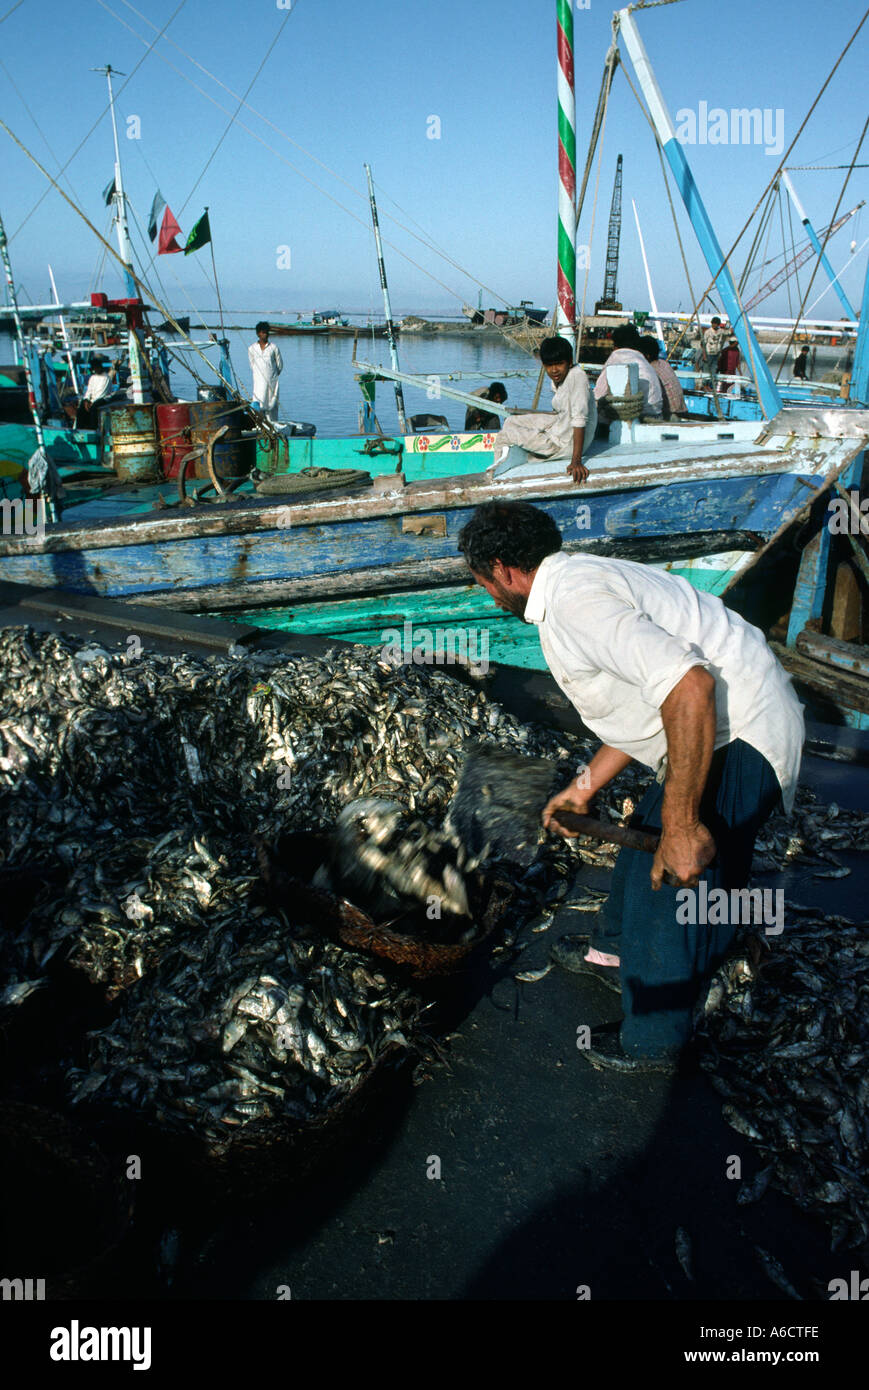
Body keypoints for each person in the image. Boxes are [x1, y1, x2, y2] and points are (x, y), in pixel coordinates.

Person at [456, 500, 803, 1074]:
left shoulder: (576, 603)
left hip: (741, 730)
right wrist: (582, 788)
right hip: (718, 723)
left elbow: (688, 688)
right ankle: (613, 952)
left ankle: (654, 1037)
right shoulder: (575, 581)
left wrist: (685, 824)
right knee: (650, 830)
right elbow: (647, 700)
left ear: (503, 569)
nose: (488, 596)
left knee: (670, 878)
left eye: (484, 582)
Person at [490, 337, 596, 484]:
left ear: (569, 362)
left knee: (504, 436)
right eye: (549, 365)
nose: (554, 370)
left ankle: (497, 477)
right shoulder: (564, 377)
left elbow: (579, 420)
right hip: (559, 424)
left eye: (559, 364)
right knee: (510, 421)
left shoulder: (577, 377)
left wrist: (576, 461)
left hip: (562, 444)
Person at [594, 323, 663, 417]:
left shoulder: (617, 356)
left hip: (638, 415)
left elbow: (598, 395)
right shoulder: (642, 359)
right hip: (656, 413)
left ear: (615, 345)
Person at [638, 336, 686, 419]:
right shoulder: (664, 363)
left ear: (647, 356)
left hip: (669, 414)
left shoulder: (650, 370)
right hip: (680, 410)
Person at [248, 321, 283, 421]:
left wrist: (271, 374)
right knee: (258, 403)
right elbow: (252, 365)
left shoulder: (273, 348)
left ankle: (272, 426)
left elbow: (279, 366)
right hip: (258, 382)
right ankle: (260, 427)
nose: (265, 335)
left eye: (267, 332)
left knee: (272, 405)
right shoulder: (252, 348)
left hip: (272, 382)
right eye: (263, 333)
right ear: (258, 334)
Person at [75, 356, 115, 427]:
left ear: (100, 367)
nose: (95, 370)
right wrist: (86, 400)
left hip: (103, 399)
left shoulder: (106, 378)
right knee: (81, 407)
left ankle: (93, 428)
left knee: (94, 408)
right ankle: (80, 428)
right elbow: (89, 391)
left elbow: (102, 393)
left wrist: (91, 402)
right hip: (93, 400)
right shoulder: (93, 377)